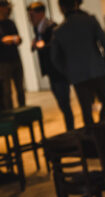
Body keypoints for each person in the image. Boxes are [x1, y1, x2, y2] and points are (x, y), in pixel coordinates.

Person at [50, 0, 105, 126]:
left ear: (61, 8)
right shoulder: (90, 20)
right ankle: (103, 127)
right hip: (96, 68)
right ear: (76, 4)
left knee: (86, 110)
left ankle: (92, 137)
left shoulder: (59, 31)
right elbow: (104, 42)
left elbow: (55, 57)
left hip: (77, 75)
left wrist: (67, 71)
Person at [28, 1, 74, 131]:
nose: (30, 19)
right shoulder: (38, 28)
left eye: (32, 16)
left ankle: (71, 131)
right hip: (50, 70)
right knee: (61, 103)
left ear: (41, 13)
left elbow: (57, 48)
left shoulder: (52, 27)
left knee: (64, 103)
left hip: (58, 70)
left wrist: (43, 46)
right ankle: (70, 130)